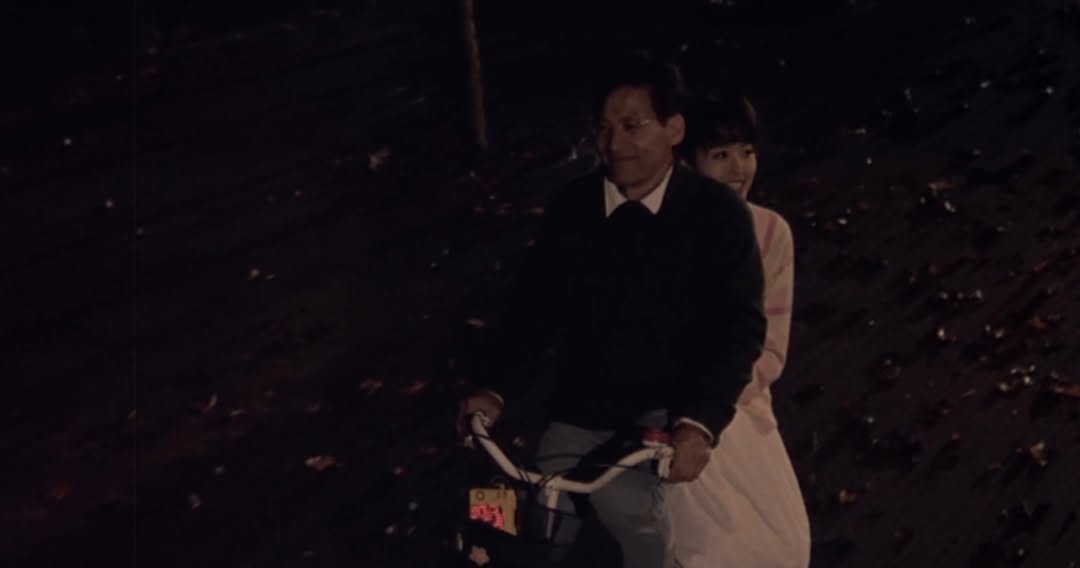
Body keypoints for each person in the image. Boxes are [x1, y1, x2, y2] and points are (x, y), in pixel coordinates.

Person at [456, 53, 766, 568]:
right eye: (604, 128)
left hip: (662, 416)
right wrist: (492, 387)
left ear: (674, 130)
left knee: (630, 513)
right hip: (583, 408)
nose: (614, 144)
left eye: (632, 126)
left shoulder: (718, 216)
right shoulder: (573, 209)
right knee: (525, 523)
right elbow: (531, 308)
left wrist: (698, 423)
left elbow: (740, 327)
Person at [668, 92, 811, 567]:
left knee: (785, 546)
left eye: (746, 152)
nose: (738, 169)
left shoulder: (771, 233)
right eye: (720, 155)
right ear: (689, 163)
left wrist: (717, 399)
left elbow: (771, 349)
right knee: (701, 549)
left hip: (741, 407)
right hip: (667, 409)